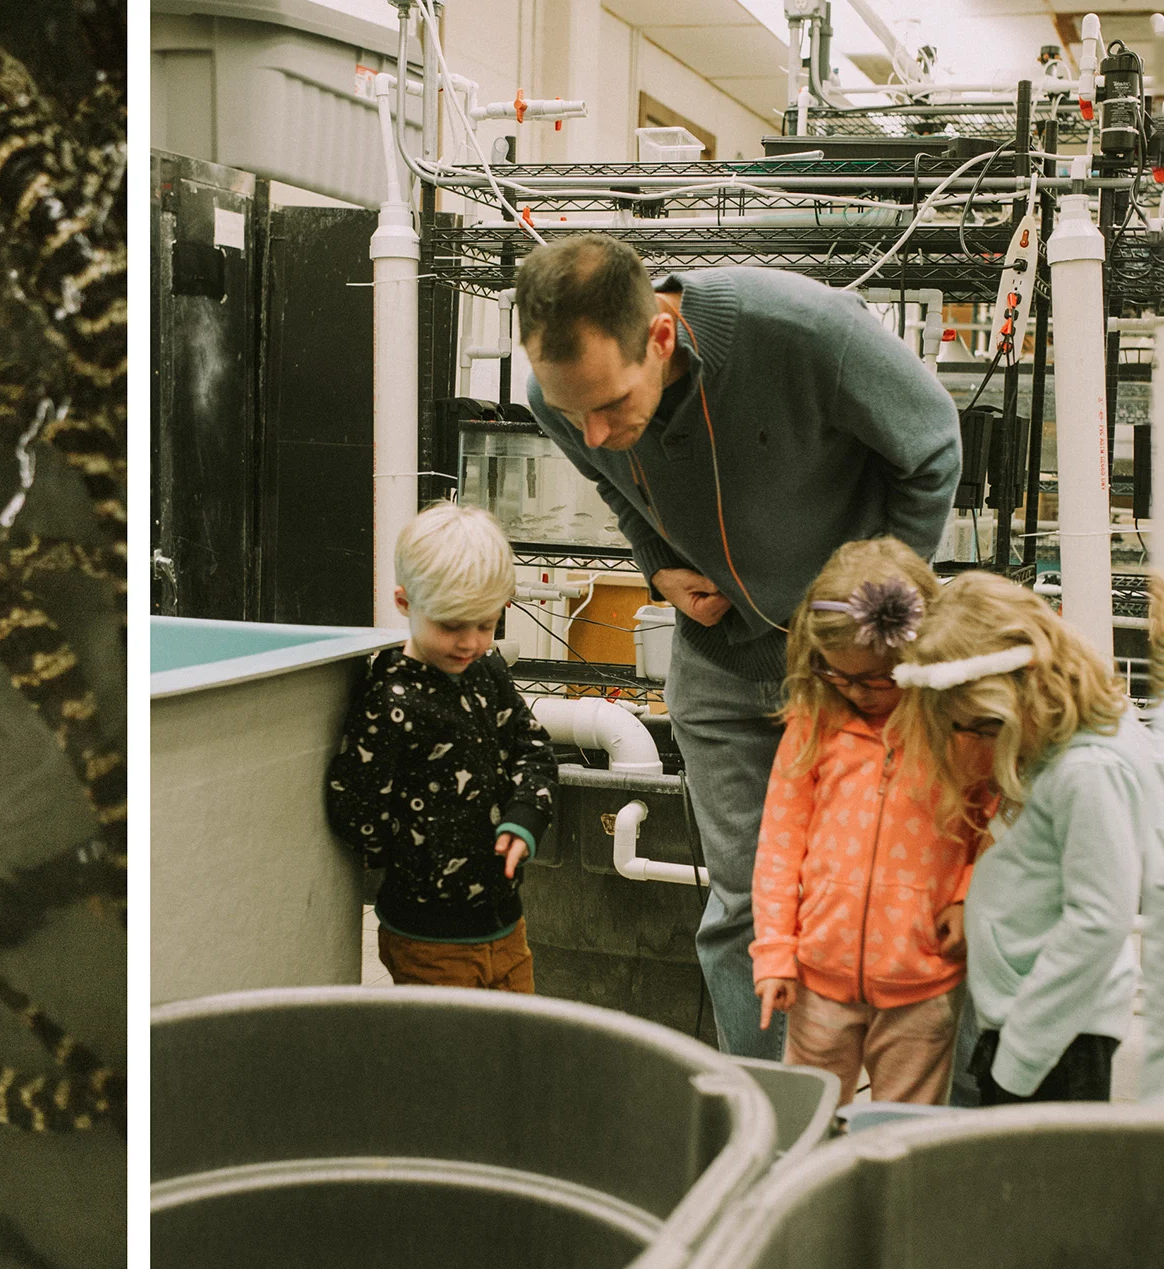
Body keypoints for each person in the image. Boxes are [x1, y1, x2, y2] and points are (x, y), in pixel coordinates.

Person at [515, 233, 962, 1058]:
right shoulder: (562, 399)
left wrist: (879, 616)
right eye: (572, 412)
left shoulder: (802, 333)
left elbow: (932, 445)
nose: (598, 431)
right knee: (746, 907)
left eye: (612, 404)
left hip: (858, 664)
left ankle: (946, 1131)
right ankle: (776, 1114)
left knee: (916, 890)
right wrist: (658, 568)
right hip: (720, 661)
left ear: (659, 335)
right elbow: (615, 486)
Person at [895, 572, 1157, 1103]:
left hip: (1053, 1038)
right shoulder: (1057, 747)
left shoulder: (1087, 771)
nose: (973, 744)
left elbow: (1098, 920)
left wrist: (1018, 1061)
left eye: (983, 728)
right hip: (1029, 1020)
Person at [750, 538, 983, 1108]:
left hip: (923, 984)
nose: (858, 692)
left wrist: (968, 896)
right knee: (807, 1121)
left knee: (904, 1134)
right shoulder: (812, 726)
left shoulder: (957, 730)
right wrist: (775, 951)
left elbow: (995, 822)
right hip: (816, 983)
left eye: (879, 679)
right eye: (840, 676)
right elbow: (779, 848)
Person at [325, 502, 557, 991]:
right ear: (405, 603)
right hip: (427, 940)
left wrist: (524, 817)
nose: (470, 642)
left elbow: (532, 748)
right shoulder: (390, 699)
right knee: (448, 1063)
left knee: (515, 1054)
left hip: (506, 926)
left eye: (486, 624)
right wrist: (407, 855)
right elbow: (355, 802)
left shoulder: (489, 673)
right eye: (452, 625)